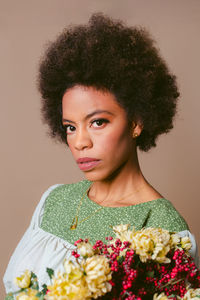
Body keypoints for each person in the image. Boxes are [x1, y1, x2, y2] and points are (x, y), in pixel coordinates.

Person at [3, 13, 198, 298]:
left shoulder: (162, 229)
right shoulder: (54, 200)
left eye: (98, 122)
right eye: (70, 127)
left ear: (136, 122)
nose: (80, 142)